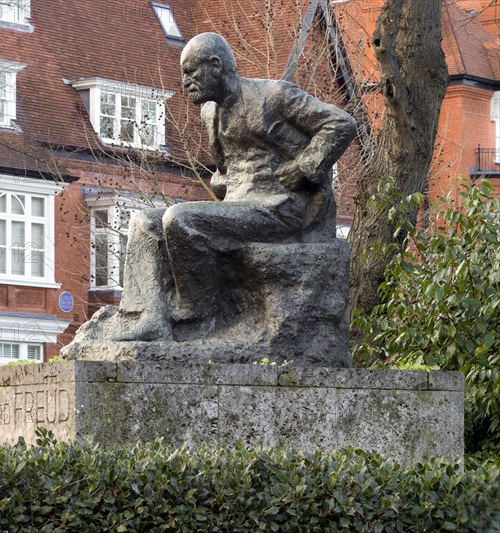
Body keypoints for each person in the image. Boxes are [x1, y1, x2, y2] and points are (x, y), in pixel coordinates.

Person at [105, 32, 357, 342]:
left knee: (180, 219)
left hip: (279, 208)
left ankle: (197, 313)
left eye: (190, 71)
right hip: (238, 207)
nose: (185, 82)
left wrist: (303, 167)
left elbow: (341, 124)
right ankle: (146, 316)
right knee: (143, 222)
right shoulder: (209, 112)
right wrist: (224, 181)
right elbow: (228, 168)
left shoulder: (274, 96)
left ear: (215, 66)